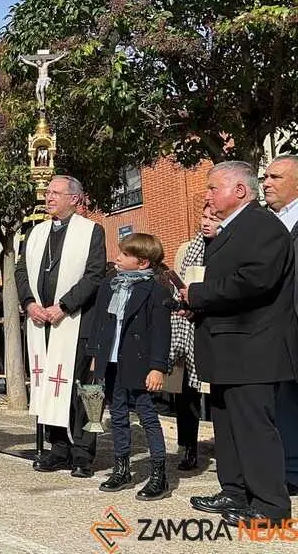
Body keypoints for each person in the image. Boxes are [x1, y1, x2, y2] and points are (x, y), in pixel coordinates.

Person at [182, 161, 296, 526]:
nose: (208, 195)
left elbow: (255, 280)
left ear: (240, 191)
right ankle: (234, 491)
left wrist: (197, 294)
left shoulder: (262, 226)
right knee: (227, 427)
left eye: (214, 188)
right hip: (225, 347)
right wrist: (193, 305)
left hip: (252, 348)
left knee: (253, 428)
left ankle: (270, 506)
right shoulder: (231, 229)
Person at [15, 175, 106, 478]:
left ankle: (82, 453)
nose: (49, 197)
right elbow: (21, 271)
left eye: (56, 192)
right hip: (40, 322)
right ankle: (58, 449)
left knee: (80, 388)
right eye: (48, 192)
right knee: (49, 385)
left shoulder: (92, 231)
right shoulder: (35, 233)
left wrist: (63, 306)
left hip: (75, 322)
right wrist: (29, 303)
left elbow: (94, 275)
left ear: (75, 199)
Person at [87, 233, 172, 500]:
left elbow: (161, 332)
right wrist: (94, 354)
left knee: (147, 415)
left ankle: (159, 474)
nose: (118, 258)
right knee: (118, 415)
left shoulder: (156, 291)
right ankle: (121, 468)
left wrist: (157, 367)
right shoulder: (109, 286)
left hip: (140, 363)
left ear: (143, 262)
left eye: (124, 255)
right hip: (112, 361)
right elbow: (100, 323)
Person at [169, 205, 220, 472]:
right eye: (204, 217)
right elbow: (179, 285)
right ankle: (187, 447)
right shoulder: (187, 249)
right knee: (186, 394)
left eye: (213, 218)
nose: (206, 222)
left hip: (216, 329)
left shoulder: (230, 248)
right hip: (188, 330)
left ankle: (225, 448)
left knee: (218, 394)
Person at [259, 154, 298, 496]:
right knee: (282, 399)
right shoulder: (268, 222)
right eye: (265, 177)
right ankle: (289, 470)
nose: (267, 183)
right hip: (273, 329)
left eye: (275, 177)